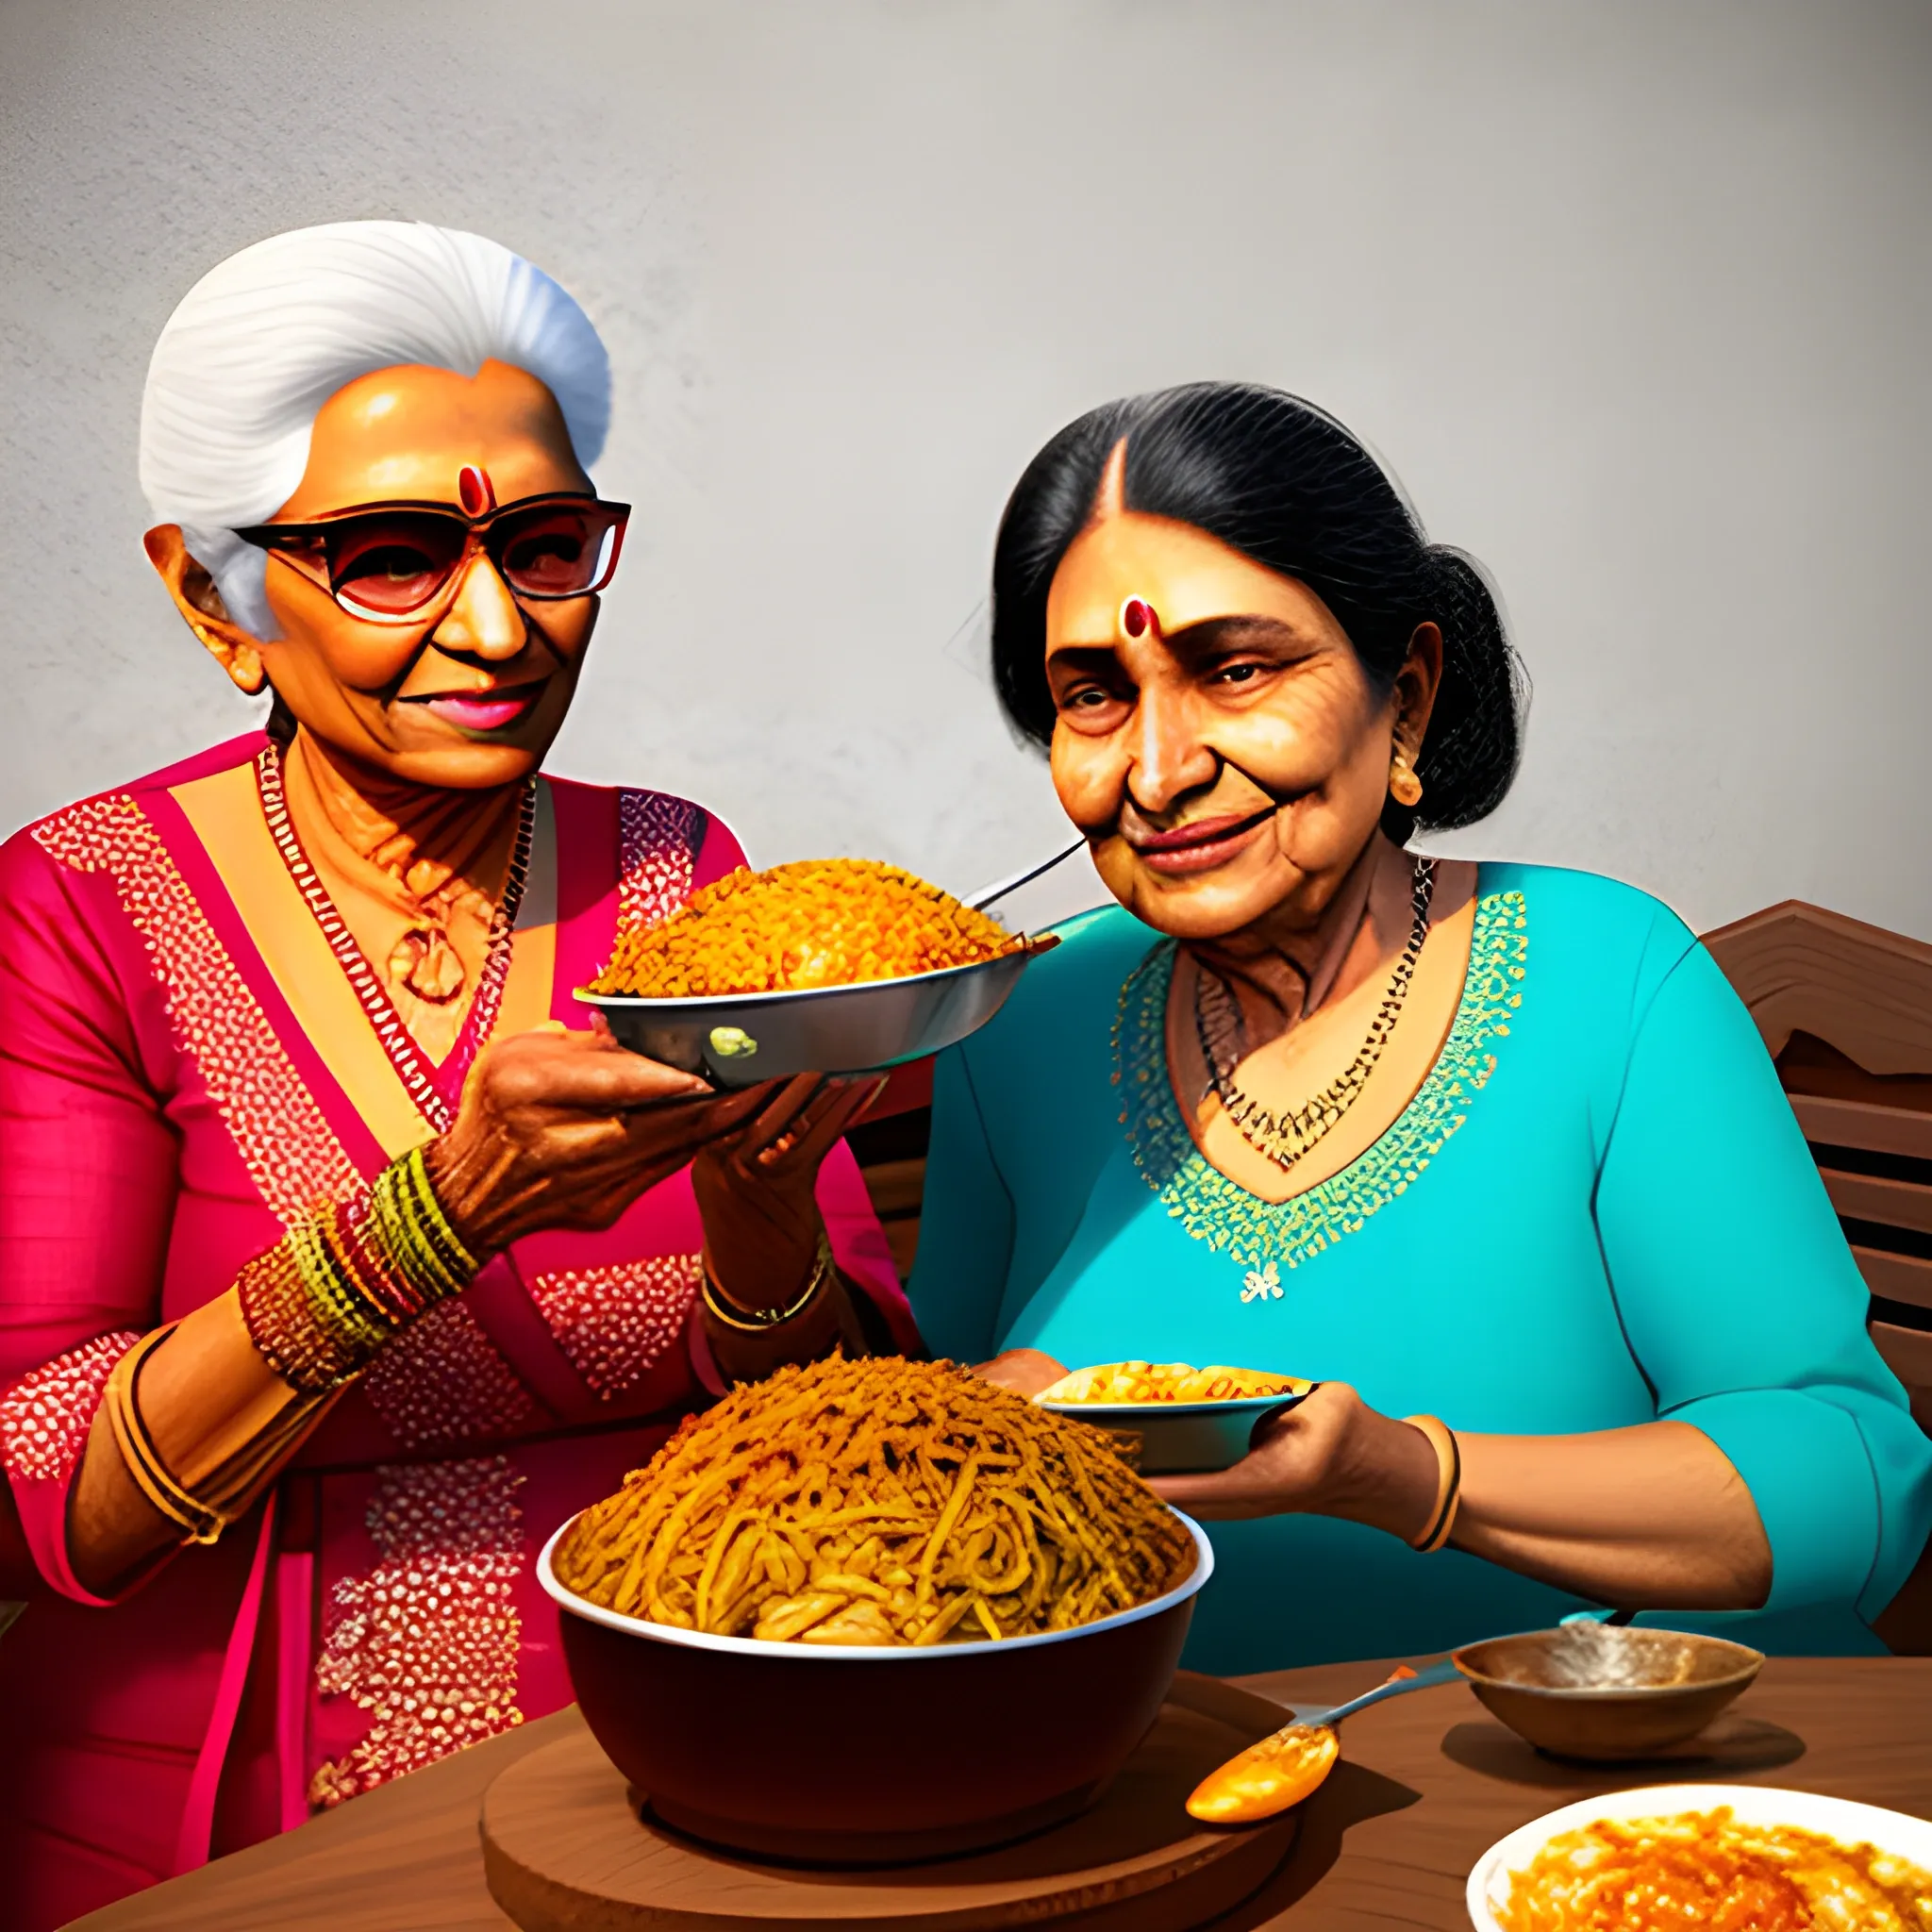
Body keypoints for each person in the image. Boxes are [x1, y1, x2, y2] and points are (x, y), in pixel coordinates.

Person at [0, 222, 914, 1930]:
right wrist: (438, 1215)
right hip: (209, 1820)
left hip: (677, 1757)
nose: (500, 631)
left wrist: (762, 1206)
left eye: (549, 545)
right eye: (392, 558)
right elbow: (46, 1491)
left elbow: (834, 1411)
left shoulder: (675, 871)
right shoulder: (84, 903)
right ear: (216, 598)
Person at [913, 381, 1932, 1674]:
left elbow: (1851, 1483)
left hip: (1607, 1804)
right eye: (1095, 695)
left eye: (1234, 670)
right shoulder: (1021, 1016)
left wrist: (1407, 1476)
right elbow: (936, 1431)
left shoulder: (1611, 981)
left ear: (1406, 696)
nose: (1159, 771)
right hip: (1153, 1793)